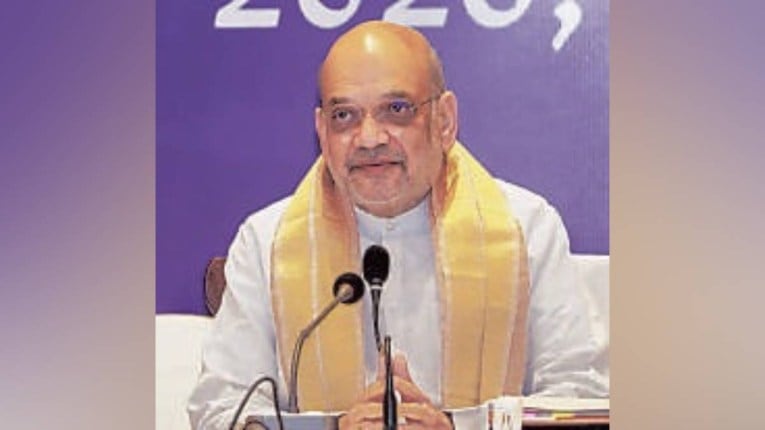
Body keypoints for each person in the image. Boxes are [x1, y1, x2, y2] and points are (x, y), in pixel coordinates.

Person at [188, 20, 608, 429]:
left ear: (444, 120)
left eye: (396, 110)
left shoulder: (526, 229)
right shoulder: (267, 243)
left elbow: (579, 401)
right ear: (321, 131)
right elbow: (221, 409)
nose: (369, 138)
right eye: (344, 116)